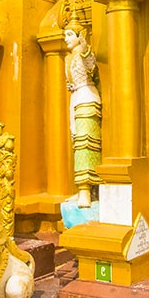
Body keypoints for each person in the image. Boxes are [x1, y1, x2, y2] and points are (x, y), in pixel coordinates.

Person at [64, 18, 102, 207]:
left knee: (86, 144)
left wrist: (85, 44)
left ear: (80, 36)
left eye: (70, 34)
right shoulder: (67, 58)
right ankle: (82, 189)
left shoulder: (84, 53)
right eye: (65, 35)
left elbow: (90, 62)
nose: (66, 39)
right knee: (77, 142)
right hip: (76, 98)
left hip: (87, 97)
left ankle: (87, 190)